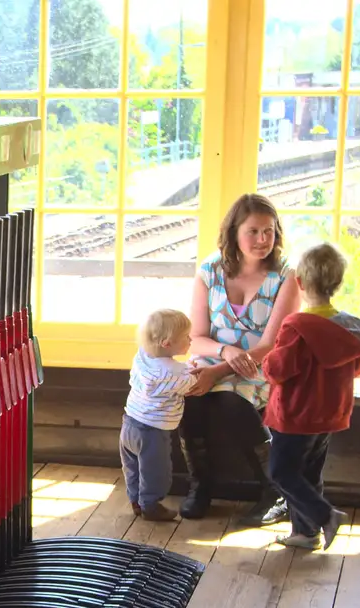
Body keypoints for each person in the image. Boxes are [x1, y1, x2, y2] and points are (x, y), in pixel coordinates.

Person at [183, 193, 302, 522]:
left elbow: (272, 344)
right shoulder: (210, 269)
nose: (263, 240)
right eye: (253, 231)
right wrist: (224, 353)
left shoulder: (287, 275)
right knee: (189, 396)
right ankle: (201, 486)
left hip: (260, 365)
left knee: (231, 401)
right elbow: (196, 337)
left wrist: (222, 369)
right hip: (214, 359)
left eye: (270, 231)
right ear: (234, 231)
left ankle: (274, 489)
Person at [262, 242, 360, 550]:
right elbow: (359, 365)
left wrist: (266, 359)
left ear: (299, 283)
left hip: (295, 416)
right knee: (309, 473)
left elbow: (278, 369)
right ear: (336, 283)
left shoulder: (297, 328)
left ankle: (324, 516)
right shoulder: (349, 329)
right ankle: (305, 533)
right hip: (329, 415)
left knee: (281, 471)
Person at [121, 309, 231, 521]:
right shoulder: (174, 372)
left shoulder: (142, 356)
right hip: (152, 431)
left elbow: (167, 370)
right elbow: (192, 384)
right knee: (157, 472)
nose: (191, 340)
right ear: (167, 343)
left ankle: (135, 499)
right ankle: (151, 505)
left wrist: (183, 366)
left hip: (129, 424)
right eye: (186, 338)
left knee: (133, 467)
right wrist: (194, 369)